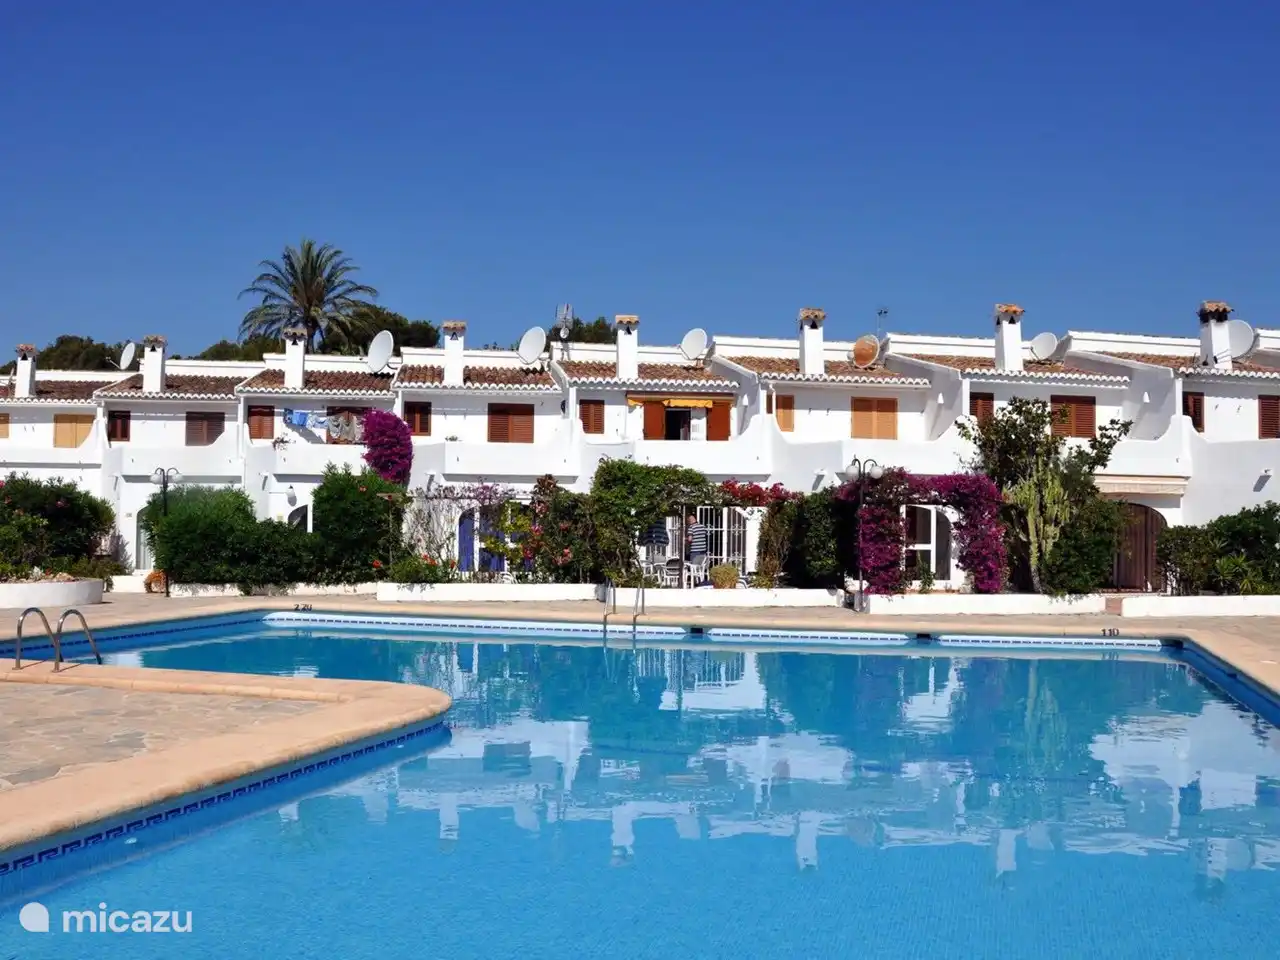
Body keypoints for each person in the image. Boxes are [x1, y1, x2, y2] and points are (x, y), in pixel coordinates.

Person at [685, 513, 708, 580]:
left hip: (695, 550)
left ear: (689, 520)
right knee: (701, 567)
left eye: (688, 521)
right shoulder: (703, 526)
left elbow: (690, 539)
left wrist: (685, 539)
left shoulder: (691, 527)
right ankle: (701, 579)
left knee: (693, 567)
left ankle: (694, 581)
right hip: (703, 550)